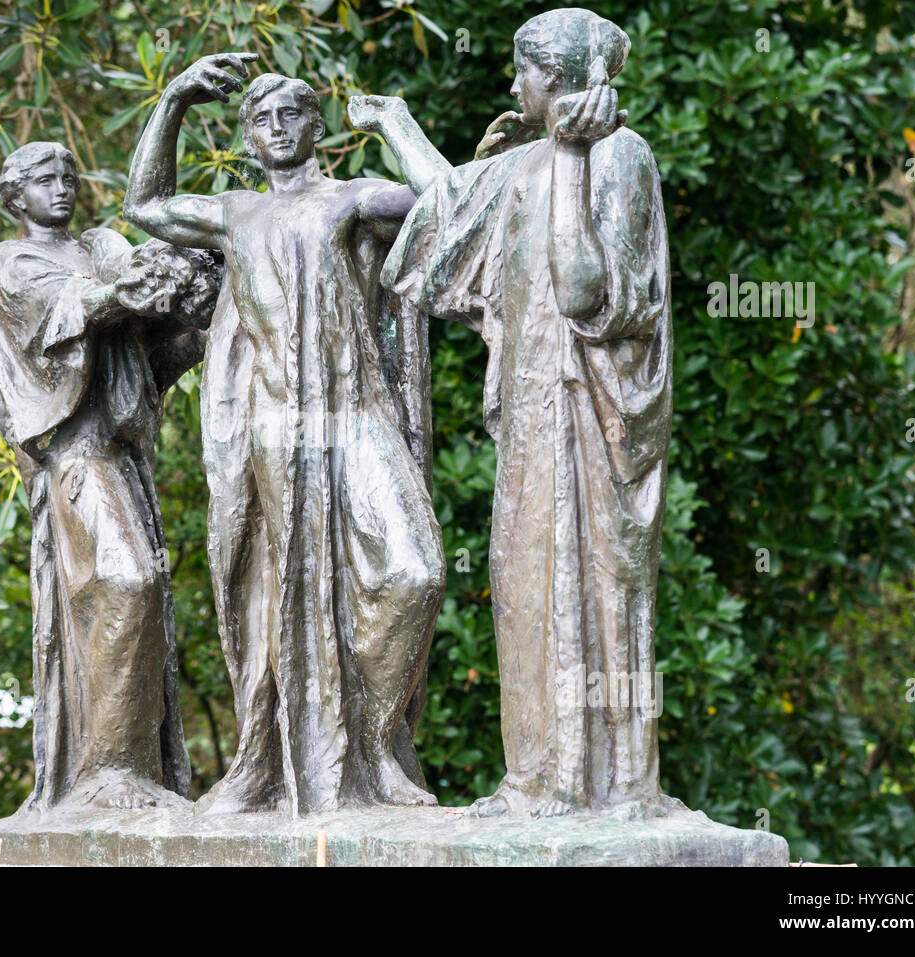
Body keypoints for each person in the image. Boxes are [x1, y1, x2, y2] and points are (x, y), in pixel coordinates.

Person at [352, 8, 674, 818]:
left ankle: (595, 785)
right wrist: (395, 123)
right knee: (524, 582)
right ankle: (533, 777)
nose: (511, 84)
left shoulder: (618, 156)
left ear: (556, 75)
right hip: (532, 415)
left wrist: (571, 157)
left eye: (521, 70)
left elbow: (584, 290)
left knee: (590, 585)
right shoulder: (528, 159)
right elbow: (451, 201)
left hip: (587, 418)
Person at [125, 57, 446, 815]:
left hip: (358, 412)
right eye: (260, 120)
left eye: (291, 115)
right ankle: (264, 759)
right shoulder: (236, 210)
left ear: (315, 126)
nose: (275, 129)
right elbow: (145, 204)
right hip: (273, 421)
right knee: (278, 588)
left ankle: (372, 748)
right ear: (246, 138)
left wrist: (395, 123)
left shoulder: (351, 196)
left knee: (415, 572)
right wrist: (173, 98)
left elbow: (445, 201)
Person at [0, 141, 219, 815]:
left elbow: (149, 357)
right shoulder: (8, 262)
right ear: (15, 194)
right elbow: (60, 312)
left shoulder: (101, 249)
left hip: (124, 452)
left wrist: (199, 308)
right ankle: (109, 769)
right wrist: (124, 288)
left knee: (134, 592)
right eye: (44, 179)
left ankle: (135, 767)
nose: (61, 187)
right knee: (125, 580)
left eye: (68, 176)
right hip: (75, 451)